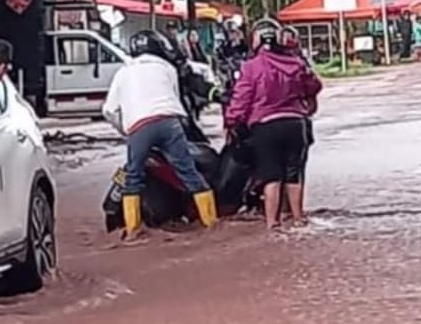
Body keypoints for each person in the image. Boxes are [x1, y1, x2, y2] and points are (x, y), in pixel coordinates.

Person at [102, 30, 218, 242]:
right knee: (190, 173)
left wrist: (126, 129)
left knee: (133, 179)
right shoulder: (167, 68)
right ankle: (211, 223)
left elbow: (109, 110)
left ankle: (133, 230)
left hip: (139, 128)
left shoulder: (123, 72)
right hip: (170, 124)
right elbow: (174, 97)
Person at [225, 27, 322, 231]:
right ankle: (298, 219)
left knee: (271, 176)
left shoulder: (251, 67)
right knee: (293, 174)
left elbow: (241, 99)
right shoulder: (296, 64)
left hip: (265, 126)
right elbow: (314, 86)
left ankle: (272, 224)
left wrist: (232, 121)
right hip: (296, 125)